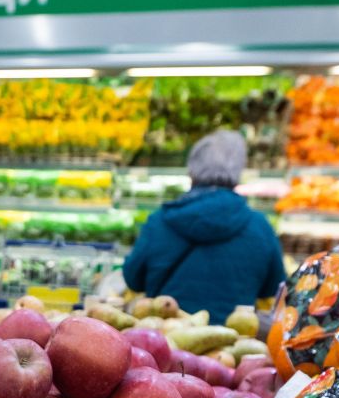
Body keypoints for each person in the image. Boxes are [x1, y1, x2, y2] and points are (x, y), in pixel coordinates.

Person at [121, 130, 284, 317]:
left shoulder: (159, 222)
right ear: (239, 170)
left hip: (164, 338)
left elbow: (133, 279)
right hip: (235, 340)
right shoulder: (260, 227)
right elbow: (273, 288)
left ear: (192, 169)